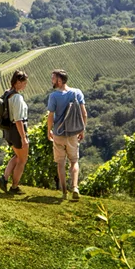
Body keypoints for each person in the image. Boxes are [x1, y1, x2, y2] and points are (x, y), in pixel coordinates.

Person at [44, 69, 87, 200]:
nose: (52, 80)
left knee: (60, 163)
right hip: (73, 133)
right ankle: (75, 187)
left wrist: (49, 130)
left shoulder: (54, 96)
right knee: (74, 161)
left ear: (59, 80)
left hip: (58, 133)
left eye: (53, 78)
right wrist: (82, 129)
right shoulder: (77, 92)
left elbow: (51, 116)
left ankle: (64, 192)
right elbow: (84, 114)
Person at [0, 71, 30, 194]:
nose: (25, 85)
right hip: (17, 131)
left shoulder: (7, 93)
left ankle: (4, 179)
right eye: (24, 82)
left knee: (17, 156)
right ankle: (14, 187)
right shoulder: (17, 98)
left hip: (8, 131)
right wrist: (24, 138)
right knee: (22, 160)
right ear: (18, 82)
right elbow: (19, 120)